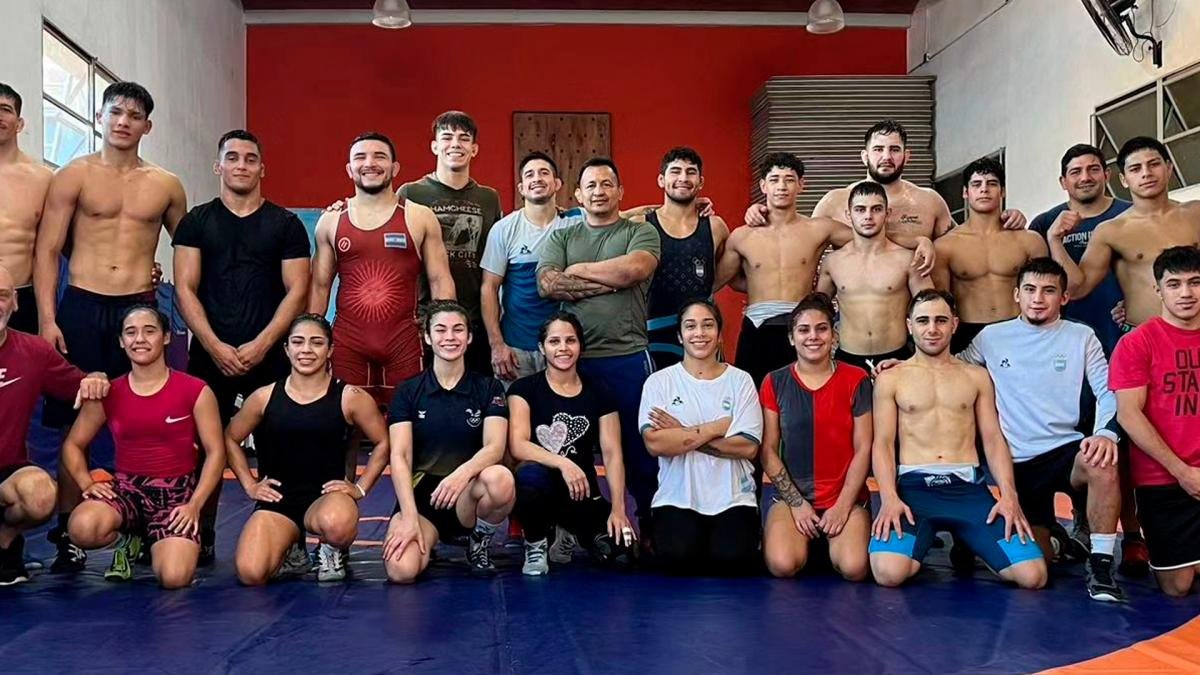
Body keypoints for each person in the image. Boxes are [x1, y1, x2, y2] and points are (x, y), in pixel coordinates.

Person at [34, 81, 188, 573]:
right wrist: (47, 319)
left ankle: (144, 523)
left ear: (148, 126)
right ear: (101, 117)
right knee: (72, 420)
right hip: (82, 305)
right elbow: (47, 249)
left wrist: (168, 279)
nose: (124, 122)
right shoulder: (74, 175)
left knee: (146, 413)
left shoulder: (166, 184)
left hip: (139, 306)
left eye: (134, 115)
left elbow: (190, 249)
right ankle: (67, 532)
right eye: (116, 112)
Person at [173, 129, 311, 561]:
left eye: (250, 159)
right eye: (232, 158)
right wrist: (214, 345)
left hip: (268, 355)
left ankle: (287, 536)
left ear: (262, 168)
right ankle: (201, 532)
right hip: (210, 355)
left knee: (280, 446)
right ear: (218, 166)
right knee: (203, 446)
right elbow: (184, 288)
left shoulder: (285, 225)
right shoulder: (196, 221)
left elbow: (298, 290)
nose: (241, 165)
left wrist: (263, 343)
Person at [957, 258, 1124, 602]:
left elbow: (1108, 390)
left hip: (1066, 450)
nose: (1038, 298)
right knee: (1037, 568)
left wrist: (1105, 434)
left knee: (1102, 463)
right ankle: (1058, 541)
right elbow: (950, 367)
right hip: (1017, 463)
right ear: (1016, 294)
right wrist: (905, 367)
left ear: (1064, 298)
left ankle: (1101, 565)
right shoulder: (992, 337)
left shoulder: (1081, 336)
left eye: (1049, 291)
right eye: (1030, 290)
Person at [868, 289, 1046, 589]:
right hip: (914, 491)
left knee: (1033, 576)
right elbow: (882, 443)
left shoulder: (976, 376)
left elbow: (993, 439)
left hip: (968, 490)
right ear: (909, 326)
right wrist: (888, 498)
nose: (932, 329)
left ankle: (973, 542)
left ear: (954, 324)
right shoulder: (891, 378)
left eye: (941, 320)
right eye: (923, 321)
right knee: (889, 573)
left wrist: (1009, 496)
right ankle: (932, 543)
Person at [719, 152, 933, 386]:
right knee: (751, 396)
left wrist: (919, 240)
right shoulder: (742, 236)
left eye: (789, 179)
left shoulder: (820, 229)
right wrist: (758, 280)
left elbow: (869, 235)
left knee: (803, 396)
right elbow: (721, 279)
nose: (781, 186)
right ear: (763, 186)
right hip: (757, 326)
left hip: (801, 324)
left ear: (801, 185)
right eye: (774, 180)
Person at [1028, 143, 1144, 574]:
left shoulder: (1129, 216)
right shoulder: (1046, 223)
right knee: (1074, 439)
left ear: (1107, 174)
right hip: (1063, 352)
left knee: (1122, 444)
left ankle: (1134, 535)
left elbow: (1149, 273)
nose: (1085, 178)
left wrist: (1136, 303)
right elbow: (1035, 279)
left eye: (1093, 169)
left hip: (1119, 344)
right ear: (1063, 181)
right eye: (1075, 172)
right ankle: (1080, 522)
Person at [537, 157, 661, 541]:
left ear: (620, 192)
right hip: (574, 363)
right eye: (590, 185)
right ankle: (579, 528)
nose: (599, 191)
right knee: (569, 448)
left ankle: (650, 525)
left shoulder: (640, 231)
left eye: (607, 184)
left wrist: (577, 270)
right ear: (578, 195)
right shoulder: (562, 237)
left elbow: (633, 271)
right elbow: (548, 284)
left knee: (638, 449)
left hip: (627, 356)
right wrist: (610, 281)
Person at [61, 305, 225, 588]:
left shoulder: (195, 390)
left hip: (174, 497)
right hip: (127, 491)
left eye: (149, 331)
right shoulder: (109, 392)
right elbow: (73, 445)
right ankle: (127, 542)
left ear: (165, 337)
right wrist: (86, 482)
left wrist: (194, 505)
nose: (139, 339)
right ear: (121, 341)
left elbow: (216, 453)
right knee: (82, 528)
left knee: (174, 578)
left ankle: (155, 541)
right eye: (131, 332)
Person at [225, 314, 390, 584]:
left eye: (316, 343)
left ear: (330, 350)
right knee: (251, 573)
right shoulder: (264, 397)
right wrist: (250, 484)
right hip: (278, 501)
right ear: (287, 349)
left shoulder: (350, 397)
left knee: (337, 524)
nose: (306, 350)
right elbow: (230, 438)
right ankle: (293, 549)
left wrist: (360, 488)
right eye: (298, 342)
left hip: (327, 496)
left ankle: (331, 548)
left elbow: (383, 441)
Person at [310, 132, 454, 407]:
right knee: (345, 421)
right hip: (347, 345)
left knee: (407, 420)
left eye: (379, 156)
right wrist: (311, 337)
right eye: (360, 157)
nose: (370, 163)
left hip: (404, 342)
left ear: (395, 167)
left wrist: (444, 330)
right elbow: (319, 286)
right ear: (349, 169)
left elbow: (439, 279)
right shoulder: (330, 221)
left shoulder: (419, 216)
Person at [381, 301, 515, 581]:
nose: (450, 337)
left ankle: (478, 540)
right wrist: (409, 517)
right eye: (441, 330)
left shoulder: (487, 387)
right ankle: (426, 536)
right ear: (428, 337)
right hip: (423, 499)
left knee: (500, 478)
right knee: (401, 571)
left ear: (469, 337)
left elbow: (495, 447)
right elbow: (400, 456)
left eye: (458, 329)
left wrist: (460, 476)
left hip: (466, 495)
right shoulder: (408, 391)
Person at [0, 265, 109, 585]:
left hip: (8, 473)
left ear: (15, 302)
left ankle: (5, 544)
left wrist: (96, 379)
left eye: (2, 296)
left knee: (40, 495)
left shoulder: (34, 351)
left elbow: (81, 385)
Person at [746, 120, 1026, 243]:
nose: (886, 157)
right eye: (878, 149)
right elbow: (800, 241)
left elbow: (964, 242)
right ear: (864, 156)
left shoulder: (929, 201)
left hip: (914, 315)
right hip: (853, 315)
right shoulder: (835, 201)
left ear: (907, 156)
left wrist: (1003, 220)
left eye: (894, 150)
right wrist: (763, 213)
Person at [639, 300, 763, 574]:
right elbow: (655, 443)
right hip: (677, 497)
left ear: (719, 334)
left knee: (732, 562)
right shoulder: (659, 382)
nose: (699, 333)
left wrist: (680, 433)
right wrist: (718, 426)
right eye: (690, 326)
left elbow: (747, 447)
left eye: (708, 325)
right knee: (678, 559)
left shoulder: (740, 381)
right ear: (680, 336)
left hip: (733, 498)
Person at [508, 312, 635, 575]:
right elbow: (518, 444)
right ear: (542, 347)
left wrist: (618, 509)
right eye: (554, 341)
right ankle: (536, 543)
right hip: (540, 490)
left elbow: (612, 453)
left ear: (580, 346)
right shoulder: (524, 389)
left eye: (570, 340)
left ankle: (569, 531)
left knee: (622, 554)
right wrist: (563, 463)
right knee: (530, 477)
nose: (563, 348)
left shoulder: (600, 391)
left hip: (581, 492)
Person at [759, 293, 872, 581]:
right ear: (791, 338)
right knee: (782, 565)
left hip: (845, 498)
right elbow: (768, 450)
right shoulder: (774, 381)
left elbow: (864, 447)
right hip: (793, 498)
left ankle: (831, 540)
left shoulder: (856, 378)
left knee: (854, 568)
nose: (813, 337)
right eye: (803, 330)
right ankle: (805, 539)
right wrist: (796, 503)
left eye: (821, 329)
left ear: (834, 335)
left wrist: (843, 506)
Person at [1110, 246, 1200, 597]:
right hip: (1163, 477)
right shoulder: (1136, 343)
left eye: (1195, 282)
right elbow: (1129, 414)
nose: (1186, 293)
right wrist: (1183, 472)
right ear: (1158, 290)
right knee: (1178, 586)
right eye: (1174, 284)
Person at [1048, 136, 1200, 329]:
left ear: (1169, 168)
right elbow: (1077, 289)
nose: (1146, 173)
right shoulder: (1111, 231)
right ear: (1123, 179)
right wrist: (1054, 240)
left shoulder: (1195, 213)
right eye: (1135, 169)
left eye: (1154, 164)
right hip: (1142, 334)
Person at [399, 111, 503, 375]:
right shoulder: (411, 193)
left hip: (476, 320)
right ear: (435, 146)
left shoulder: (489, 198)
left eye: (464, 138)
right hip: (423, 320)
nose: (455, 144)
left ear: (474, 149)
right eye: (447, 137)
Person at [931, 156, 1047, 353]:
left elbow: (1046, 292)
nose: (984, 189)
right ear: (965, 192)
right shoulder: (945, 246)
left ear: (1003, 191)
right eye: (976, 184)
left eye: (992, 184)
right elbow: (941, 303)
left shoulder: (1029, 240)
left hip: (1019, 329)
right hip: (967, 333)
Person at [817, 182, 932, 372]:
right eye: (860, 210)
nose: (868, 216)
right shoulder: (833, 262)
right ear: (849, 214)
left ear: (887, 213)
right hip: (847, 358)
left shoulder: (908, 259)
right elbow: (818, 309)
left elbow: (931, 309)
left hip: (898, 356)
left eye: (876, 209)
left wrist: (921, 357)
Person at [481, 151, 570, 383]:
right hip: (516, 348)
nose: (537, 178)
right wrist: (497, 345)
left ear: (557, 183)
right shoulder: (504, 229)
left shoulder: (575, 222)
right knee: (515, 407)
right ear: (521, 188)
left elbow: (613, 219)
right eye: (529, 174)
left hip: (563, 347)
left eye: (544, 173)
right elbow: (489, 288)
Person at [642, 147, 730, 371]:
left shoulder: (716, 227)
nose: (683, 178)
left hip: (701, 334)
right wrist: (649, 209)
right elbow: (610, 218)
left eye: (691, 172)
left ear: (700, 182)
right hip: (655, 334)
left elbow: (721, 274)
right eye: (675, 171)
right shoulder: (641, 224)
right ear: (661, 180)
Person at [0, 84, 53, 334]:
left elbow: (68, 245)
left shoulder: (43, 179)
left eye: (5, 109)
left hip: (21, 298)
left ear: (19, 123)